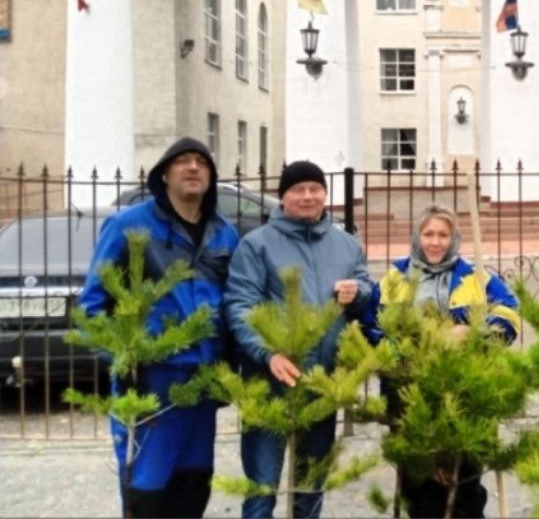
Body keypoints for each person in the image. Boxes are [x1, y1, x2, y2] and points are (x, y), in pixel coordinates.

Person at [79, 137, 239, 518]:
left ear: (212, 176)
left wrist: (230, 369)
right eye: (182, 161)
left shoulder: (224, 232)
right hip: (151, 384)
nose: (193, 167)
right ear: (163, 175)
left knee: (193, 488)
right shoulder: (129, 226)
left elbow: (234, 302)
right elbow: (92, 307)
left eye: (201, 162)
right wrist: (125, 358)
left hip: (202, 384)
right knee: (147, 493)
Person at [224, 160, 373, 519]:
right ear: (283, 197)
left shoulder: (347, 245)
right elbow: (240, 304)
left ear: (325, 194)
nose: (308, 196)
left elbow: (367, 290)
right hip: (271, 381)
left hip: (322, 382)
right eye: (298, 190)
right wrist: (267, 353)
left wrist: (360, 293)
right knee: (262, 487)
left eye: (315, 189)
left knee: (310, 487)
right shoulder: (257, 245)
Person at [368, 203, 521, 519]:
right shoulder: (394, 278)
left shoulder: (474, 276)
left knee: (464, 483)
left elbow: (509, 316)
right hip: (408, 393)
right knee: (418, 483)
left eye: (442, 235)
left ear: (453, 239)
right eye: (428, 234)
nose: (435, 242)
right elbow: (372, 326)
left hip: (465, 391)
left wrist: (473, 333)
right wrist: (405, 351)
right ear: (417, 236)